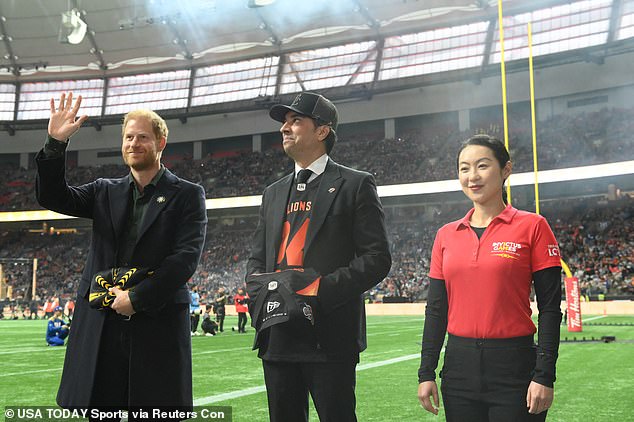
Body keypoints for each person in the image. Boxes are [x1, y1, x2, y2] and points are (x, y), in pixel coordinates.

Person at [35, 92, 207, 418]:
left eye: (142, 137)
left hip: (155, 320)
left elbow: (184, 259)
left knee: (152, 409)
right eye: (128, 137)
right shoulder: (104, 190)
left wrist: (137, 297)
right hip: (101, 322)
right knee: (99, 407)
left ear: (161, 142)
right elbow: (52, 196)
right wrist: (55, 143)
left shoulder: (187, 194)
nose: (133, 143)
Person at [246, 91, 391, 421]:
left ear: (322, 131)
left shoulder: (356, 184)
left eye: (296, 121)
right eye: (285, 122)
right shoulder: (272, 193)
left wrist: (317, 288)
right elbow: (257, 259)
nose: (285, 128)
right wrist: (259, 294)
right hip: (277, 334)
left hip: (330, 336)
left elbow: (377, 258)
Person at [417, 134, 562, 421]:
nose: (473, 176)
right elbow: (436, 310)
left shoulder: (533, 226)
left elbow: (549, 309)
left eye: (482, 166)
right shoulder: (445, 235)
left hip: (514, 367)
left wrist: (544, 376)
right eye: (464, 168)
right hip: (458, 369)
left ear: (506, 170)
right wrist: (426, 372)